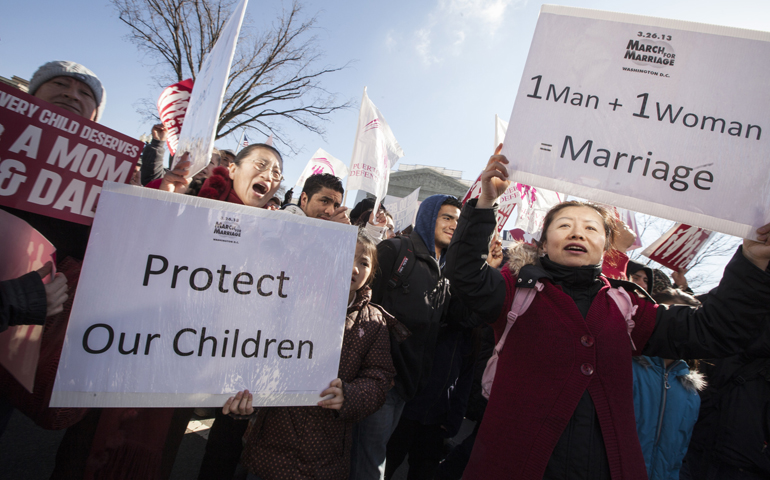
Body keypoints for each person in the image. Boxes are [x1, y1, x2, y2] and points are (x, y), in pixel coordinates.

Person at [443, 145, 770, 480]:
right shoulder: (516, 290)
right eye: (564, 225)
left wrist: (753, 264)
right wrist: (485, 204)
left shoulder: (627, 307)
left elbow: (710, 329)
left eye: (590, 228)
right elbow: (466, 276)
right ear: (543, 243)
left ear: (606, 246)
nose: (577, 232)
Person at [223, 229, 396, 480]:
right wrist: (243, 395)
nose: (354, 267)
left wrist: (351, 395)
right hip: (270, 446)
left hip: (326, 455)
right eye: (347, 256)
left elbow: (379, 377)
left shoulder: (373, 322)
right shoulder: (287, 299)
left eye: (364, 262)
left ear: (371, 275)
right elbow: (255, 352)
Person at [348, 195, 461, 480]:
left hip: (406, 385)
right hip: (376, 379)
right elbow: (359, 300)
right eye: (446, 217)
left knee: (372, 452)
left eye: (458, 220)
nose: (453, 225)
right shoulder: (396, 250)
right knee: (370, 460)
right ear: (427, 217)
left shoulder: (444, 271)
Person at [632, 289, 705, 480]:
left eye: (692, 321)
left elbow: (680, 454)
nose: (684, 327)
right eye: (677, 317)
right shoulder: (624, 368)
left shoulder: (691, 390)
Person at [282, 173, 351, 224]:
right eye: (325, 201)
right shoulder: (280, 222)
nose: (331, 212)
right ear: (304, 199)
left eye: (336, 206)